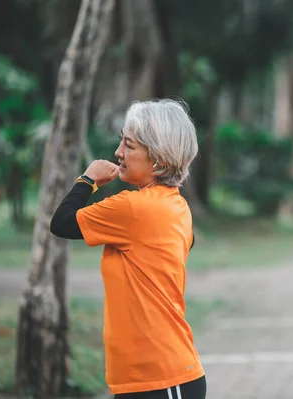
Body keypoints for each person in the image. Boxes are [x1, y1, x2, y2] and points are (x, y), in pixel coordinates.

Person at [50, 99, 206, 399]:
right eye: (122, 141)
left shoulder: (133, 209)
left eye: (129, 145)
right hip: (148, 377)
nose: (118, 152)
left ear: (157, 158)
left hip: (160, 378)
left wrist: (88, 179)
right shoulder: (176, 206)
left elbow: (61, 223)